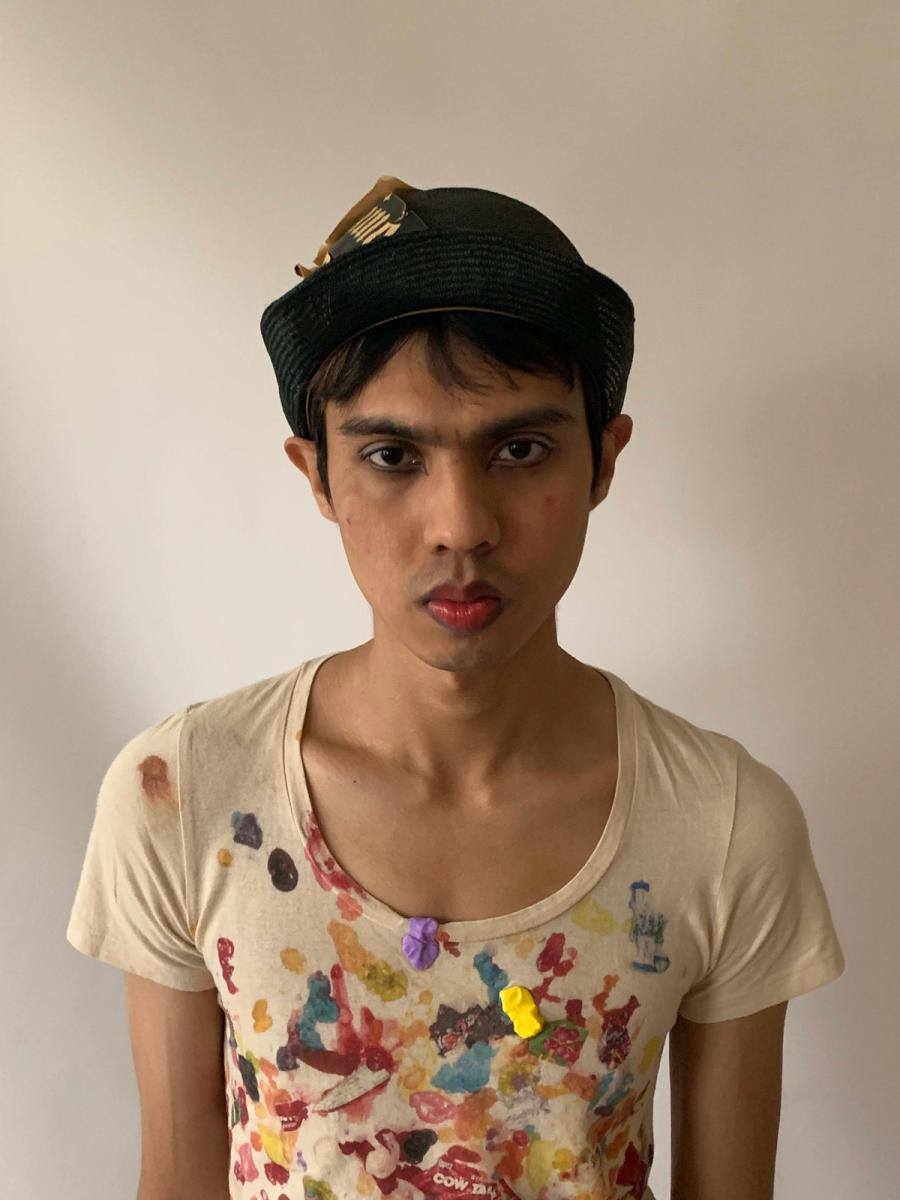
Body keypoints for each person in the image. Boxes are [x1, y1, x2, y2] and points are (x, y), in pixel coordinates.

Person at [66, 175, 846, 1200]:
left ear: (604, 460)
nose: (462, 525)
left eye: (520, 449)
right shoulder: (186, 796)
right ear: (317, 474)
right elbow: (176, 1182)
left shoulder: (721, 823)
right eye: (393, 455)